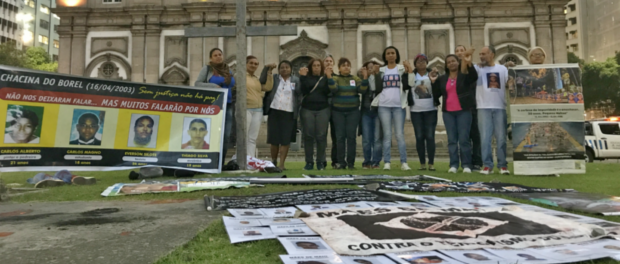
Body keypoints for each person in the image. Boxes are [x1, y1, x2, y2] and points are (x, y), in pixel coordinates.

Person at [431, 51, 478, 173]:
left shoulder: (464, 75)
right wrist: (433, 83)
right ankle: (453, 165)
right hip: (448, 113)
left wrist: (469, 63)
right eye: (449, 62)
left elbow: (474, 77)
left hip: (463, 111)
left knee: (464, 139)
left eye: (453, 61)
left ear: (458, 62)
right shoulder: (442, 78)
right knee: (452, 140)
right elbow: (436, 95)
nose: (451, 64)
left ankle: (467, 165)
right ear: (446, 65)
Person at [369, 46, 415, 171]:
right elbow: (373, 87)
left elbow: (411, 84)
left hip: (399, 106)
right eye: (388, 53)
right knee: (387, 135)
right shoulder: (382, 70)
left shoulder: (401, 69)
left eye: (392, 53)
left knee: (399, 134)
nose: (390, 55)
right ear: (385, 56)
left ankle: (404, 162)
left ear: (396, 55)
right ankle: (387, 162)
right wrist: (373, 74)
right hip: (383, 105)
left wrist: (409, 70)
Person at [195, 48, 236, 167]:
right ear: (211, 58)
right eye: (215, 55)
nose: (218, 57)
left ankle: (220, 163)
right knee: (212, 134)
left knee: (226, 135)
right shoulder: (207, 69)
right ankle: (209, 162)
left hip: (227, 105)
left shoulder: (228, 69)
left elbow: (233, 85)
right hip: (213, 106)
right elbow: (197, 84)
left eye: (220, 54)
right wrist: (213, 86)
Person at [328, 57, 368, 169]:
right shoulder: (335, 78)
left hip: (353, 112)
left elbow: (362, 90)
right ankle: (341, 162)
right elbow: (333, 89)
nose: (346, 67)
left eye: (348, 65)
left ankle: (351, 163)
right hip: (338, 112)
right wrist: (329, 77)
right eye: (343, 65)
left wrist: (365, 77)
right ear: (339, 68)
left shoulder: (355, 78)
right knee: (340, 137)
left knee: (351, 137)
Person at [475, 46, 510, 175]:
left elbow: (508, 83)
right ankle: (487, 165)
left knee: (501, 138)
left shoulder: (502, 69)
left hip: (500, 106)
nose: (481, 56)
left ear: (492, 54)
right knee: (485, 138)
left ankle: (502, 165)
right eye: (480, 54)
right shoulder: (477, 68)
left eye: (484, 53)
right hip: (483, 107)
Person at [263, 60, 301, 170]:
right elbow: (263, 80)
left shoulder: (295, 80)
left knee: (285, 140)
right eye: (282, 67)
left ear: (291, 69)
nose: (284, 69)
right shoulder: (274, 78)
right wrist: (268, 68)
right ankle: (273, 161)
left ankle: (282, 164)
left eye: (287, 67)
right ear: (279, 69)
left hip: (289, 113)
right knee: (274, 139)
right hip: (274, 111)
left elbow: (299, 94)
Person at [299, 58, 331, 170]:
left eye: (318, 65)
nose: (316, 67)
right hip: (308, 109)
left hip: (323, 109)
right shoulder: (306, 78)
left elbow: (330, 91)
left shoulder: (325, 78)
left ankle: (320, 162)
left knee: (321, 136)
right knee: (308, 136)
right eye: (314, 65)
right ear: (310, 67)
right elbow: (303, 90)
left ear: (321, 67)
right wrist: (302, 77)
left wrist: (329, 76)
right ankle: (309, 162)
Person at [408, 54, 438, 171]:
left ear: (427, 62)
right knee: (419, 136)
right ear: (415, 64)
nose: (421, 63)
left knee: (430, 136)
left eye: (423, 61)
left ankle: (431, 163)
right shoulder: (412, 75)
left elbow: (438, 89)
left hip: (430, 110)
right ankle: (422, 163)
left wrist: (434, 80)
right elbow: (407, 86)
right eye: (418, 61)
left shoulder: (433, 74)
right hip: (416, 111)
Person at [456, 45, 482, 171]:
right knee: (463, 137)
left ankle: (477, 161)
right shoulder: (453, 70)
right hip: (458, 107)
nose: (460, 52)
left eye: (462, 50)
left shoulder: (474, 67)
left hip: (472, 105)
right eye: (457, 51)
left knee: (475, 135)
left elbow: (474, 76)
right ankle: (466, 162)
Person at [245, 55, 274, 157]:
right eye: (251, 63)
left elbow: (267, 87)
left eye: (256, 64)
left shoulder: (257, 78)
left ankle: (251, 160)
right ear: (246, 64)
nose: (253, 65)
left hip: (257, 110)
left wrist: (269, 72)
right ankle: (242, 160)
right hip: (245, 109)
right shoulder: (239, 76)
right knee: (244, 137)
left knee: (252, 138)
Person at [360, 61, 383, 169]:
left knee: (377, 139)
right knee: (366, 139)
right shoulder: (361, 79)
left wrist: (377, 75)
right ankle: (367, 161)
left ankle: (376, 162)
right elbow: (362, 90)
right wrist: (365, 77)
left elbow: (379, 88)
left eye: (372, 67)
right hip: (366, 111)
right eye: (368, 68)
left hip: (377, 111)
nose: (370, 69)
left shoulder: (380, 77)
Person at [324, 55, 339, 169]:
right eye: (326, 61)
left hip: (335, 108)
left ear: (333, 64)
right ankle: (322, 161)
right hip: (323, 108)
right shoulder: (320, 78)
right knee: (321, 136)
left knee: (335, 136)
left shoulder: (337, 78)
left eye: (330, 61)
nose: (328, 63)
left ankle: (335, 161)